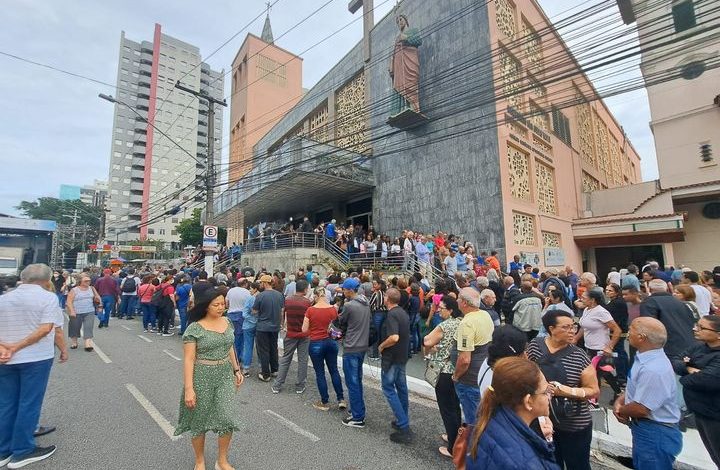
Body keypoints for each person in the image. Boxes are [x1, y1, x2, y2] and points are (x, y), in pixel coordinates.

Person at [0, 264, 62, 468]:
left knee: (7, 403)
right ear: (47, 280)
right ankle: (23, 451)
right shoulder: (48, 298)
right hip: (36, 358)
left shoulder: (5, 298)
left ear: (23, 278)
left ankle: (3, 450)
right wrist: (17, 346)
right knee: (29, 403)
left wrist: (4, 348)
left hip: (6, 359)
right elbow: (46, 329)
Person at [174, 289, 243, 470]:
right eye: (216, 305)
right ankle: (199, 461)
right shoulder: (194, 329)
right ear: (205, 306)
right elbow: (189, 359)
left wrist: (236, 369)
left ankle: (222, 460)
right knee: (199, 420)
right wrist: (189, 388)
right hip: (202, 376)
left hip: (224, 375)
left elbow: (229, 346)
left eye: (223, 303)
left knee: (227, 418)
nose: (221, 308)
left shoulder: (227, 322)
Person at [527, 310, 599, 470]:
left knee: (578, 465)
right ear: (551, 329)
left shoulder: (579, 356)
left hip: (574, 424)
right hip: (543, 422)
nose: (572, 331)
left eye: (573, 326)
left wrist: (567, 391)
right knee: (550, 462)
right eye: (566, 327)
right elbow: (527, 374)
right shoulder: (535, 346)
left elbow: (593, 391)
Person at [613, 317, 682, 470]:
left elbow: (641, 409)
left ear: (641, 337)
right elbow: (636, 388)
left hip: (656, 432)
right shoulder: (644, 359)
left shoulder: (654, 369)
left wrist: (619, 410)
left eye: (631, 330)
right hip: (646, 430)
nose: (628, 333)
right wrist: (620, 401)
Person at [466, 357, 558, 470]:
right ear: (528, 401)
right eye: (545, 392)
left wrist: (543, 439)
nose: (549, 396)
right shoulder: (525, 464)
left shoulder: (488, 419)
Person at [672, 315, 720, 467]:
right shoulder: (699, 346)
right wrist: (689, 368)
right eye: (696, 325)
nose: (695, 329)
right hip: (699, 411)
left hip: (714, 414)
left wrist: (686, 375)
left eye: (701, 327)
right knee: (714, 455)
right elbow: (676, 361)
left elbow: (705, 381)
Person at [423, 296, 462, 458]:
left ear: (451, 310)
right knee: (455, 407)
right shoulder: (462, 323)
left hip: (444, 371)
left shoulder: (445, 325)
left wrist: (434, 347)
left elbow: (427, 341)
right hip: (458, 370)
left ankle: (453, 446)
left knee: (447, 409)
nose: (439, 310)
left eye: (442, 308)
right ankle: (455, 436)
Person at [452, 288, 494, 426]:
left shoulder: (467, 323)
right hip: (483, 373)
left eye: (459, 298)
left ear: (464, 303)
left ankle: (471, 446)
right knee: (481, 416)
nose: (457, 300)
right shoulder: (485, 315)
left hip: (469, 379)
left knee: (472, 421)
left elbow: (464, 359)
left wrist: (456, 376)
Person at [303, 287, 346, 411]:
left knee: (320, 373)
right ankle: (341, 399)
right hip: (331, 342)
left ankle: (324, 401)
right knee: (334, 370)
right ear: (325, 296)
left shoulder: (310, 310)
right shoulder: (333, 309)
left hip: (316, 343)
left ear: (316, 296)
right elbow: (336, 326)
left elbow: (304, 329)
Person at [337, 277, 371, 428]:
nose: (343, 291)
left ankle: (358, 417)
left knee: (352, 382)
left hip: (352, 346)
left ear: (350, 290)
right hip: (362, 345)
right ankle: (357, 410)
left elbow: (341, 321)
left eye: (344, 289)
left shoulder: (349, 306)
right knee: (357, 379)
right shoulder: (366, 302)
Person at [379, 288, 412, 443]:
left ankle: (404, 426)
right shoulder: (403, 312)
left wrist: (381, 346)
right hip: (402, 356)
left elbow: (394, 337)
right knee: (401, 388)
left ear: (387, 299)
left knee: (388, 389)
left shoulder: (392, 314)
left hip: (391, 357)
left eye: (385, 296)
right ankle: (402, 420)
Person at [577, 289, 623, 399]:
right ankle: (617, 393)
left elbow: (617, 330)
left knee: (598, 372)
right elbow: (584, 327)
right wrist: (575, 338)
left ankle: (595, 400)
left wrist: (610, 346)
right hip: (589, 347)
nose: (581, 299)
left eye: (584, 298)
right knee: (600, 372)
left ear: (592, 300)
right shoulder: (587, 309)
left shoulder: (601, 312)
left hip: (600, 348)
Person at [272, 280, 312, 394]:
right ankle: (300, 385)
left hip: (290, 333)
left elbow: (283, 314)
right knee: (303, 360)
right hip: (304, 335)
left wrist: (282, 325)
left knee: (285, 359)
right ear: (305, 289)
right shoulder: (307, 302)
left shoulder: (288, 300)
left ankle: (277, 385)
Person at [253, 274, 284, 382]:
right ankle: (275, 369)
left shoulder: (260, 296)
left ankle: (265, 374)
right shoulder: (279, 295)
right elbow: (282, 311)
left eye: (261, 282)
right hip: (275, 325)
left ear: (265, 283)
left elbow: (254, 311)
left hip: (262, 326)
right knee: (273, 347)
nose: (260, 284)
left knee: (264, 350)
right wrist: (281, 323)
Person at [66, 275, 101, 352]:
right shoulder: (74, 290)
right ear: (80, 281)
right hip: (76, 312)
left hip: (89, 311)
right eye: (86, 281)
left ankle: (87, 344)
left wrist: (98, 301)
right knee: (74, 327)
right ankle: (74, 342)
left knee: (88, 327)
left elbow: (97, 296)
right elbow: (69, 301)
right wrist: (72, 311)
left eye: (89, 280)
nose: (88, 282)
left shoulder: (92, 288)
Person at [605, 283, 629, 385]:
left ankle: (622, 377)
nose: (607, 292)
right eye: (606, 290)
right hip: (618, 330)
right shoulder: (614, 301)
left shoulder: (618, 303)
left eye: (610, 290)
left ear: (616, 292)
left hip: (618, 331)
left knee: (619, 354)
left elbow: (616, 319)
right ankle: (623, 375)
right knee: (621, 353)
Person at [225, 279, 252, 368]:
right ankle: (239, 356)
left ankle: (231, 355)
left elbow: (227, 303)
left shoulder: (230, 291)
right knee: (241, 336)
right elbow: (249, 305)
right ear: (245, 284)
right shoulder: (247, 292)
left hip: (231, 313)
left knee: (231, 335)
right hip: (241, 314)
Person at [240, 282, 259, 377]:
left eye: (251, 288)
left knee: (248, 346)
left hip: (248, 325)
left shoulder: (250, 299)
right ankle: (262, 367)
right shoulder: (260, 298)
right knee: (260, 347)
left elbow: (244, 314)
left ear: (255, 289)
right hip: (259, 325)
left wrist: (252, 320)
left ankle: (246, 368)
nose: (249, 290)